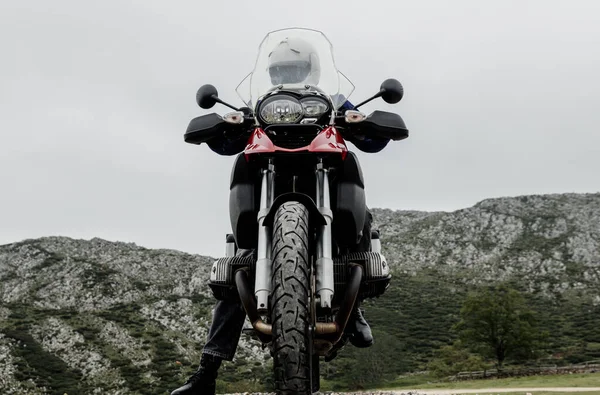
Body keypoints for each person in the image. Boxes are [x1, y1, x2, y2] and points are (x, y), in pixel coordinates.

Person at [171, 37, 390, 395]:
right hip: (269, 183)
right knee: (241, 266)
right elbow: (227, 144)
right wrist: (223, 125)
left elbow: (372, 140)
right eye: (282, 70)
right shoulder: (259, 105)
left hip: (325, 176)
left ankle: (355, 310)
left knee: (362, 216)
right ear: (270, 73)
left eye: (296, 69)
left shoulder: (333, 102)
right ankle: (206, 373)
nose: (289, 75)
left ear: (312, 70)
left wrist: (362, 120)